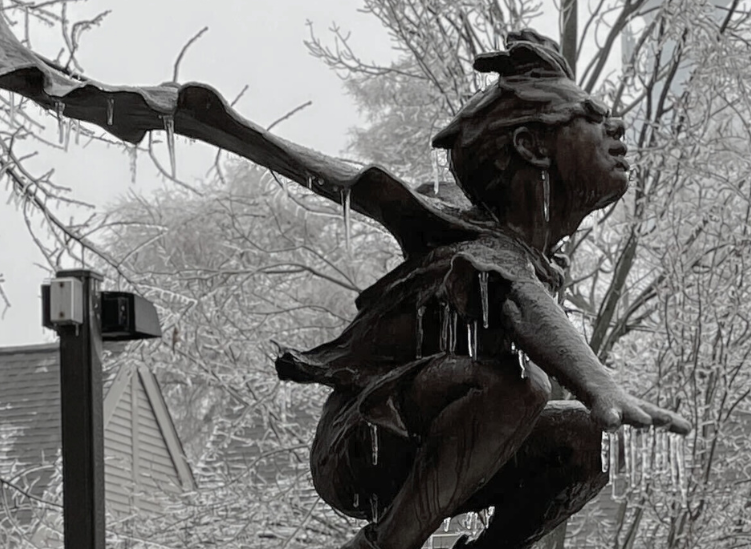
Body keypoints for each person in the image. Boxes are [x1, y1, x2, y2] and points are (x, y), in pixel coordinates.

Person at [271, 31, 691, 549]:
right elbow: (516, 296)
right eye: (590, 117)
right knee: (521, 386)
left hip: (451, 439)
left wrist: (597, 396)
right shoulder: (476, 251)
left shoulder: (529, 258)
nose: (618, 126)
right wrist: (598, 383)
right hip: (361, 440)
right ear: (532, 145)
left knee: (593, 442)